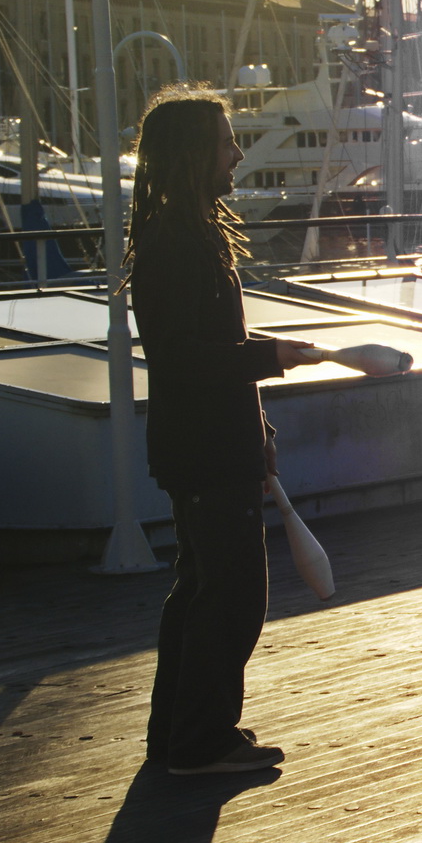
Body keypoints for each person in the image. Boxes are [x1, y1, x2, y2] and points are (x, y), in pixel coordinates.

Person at [126, 90, 316, 776]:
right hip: (204, 449)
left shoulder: (181, 233)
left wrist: (256, 415)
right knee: (231, 597)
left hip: (206, 443)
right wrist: (271, 357)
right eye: (225, 142)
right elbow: (179, 356)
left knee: (200, 589)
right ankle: (201, 741)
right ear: (190, 155)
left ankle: (177, 734)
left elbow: (210, 345)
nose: (237, 154)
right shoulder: (178, 243)